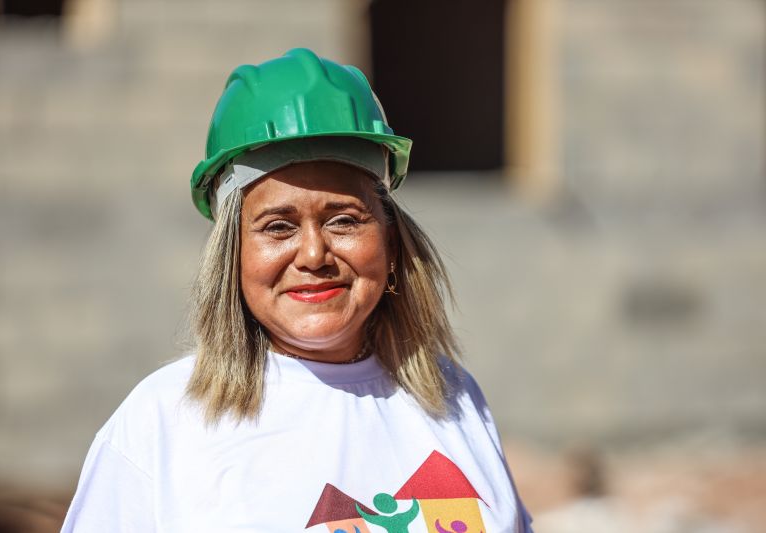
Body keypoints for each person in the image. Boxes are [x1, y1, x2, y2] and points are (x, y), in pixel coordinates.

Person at [61, 48, 533, 532]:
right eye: (278, 227)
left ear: (390, 242)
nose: (313, 255)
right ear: (232, 256)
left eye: (344, 220)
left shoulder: (452, 397)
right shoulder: (163, 422)